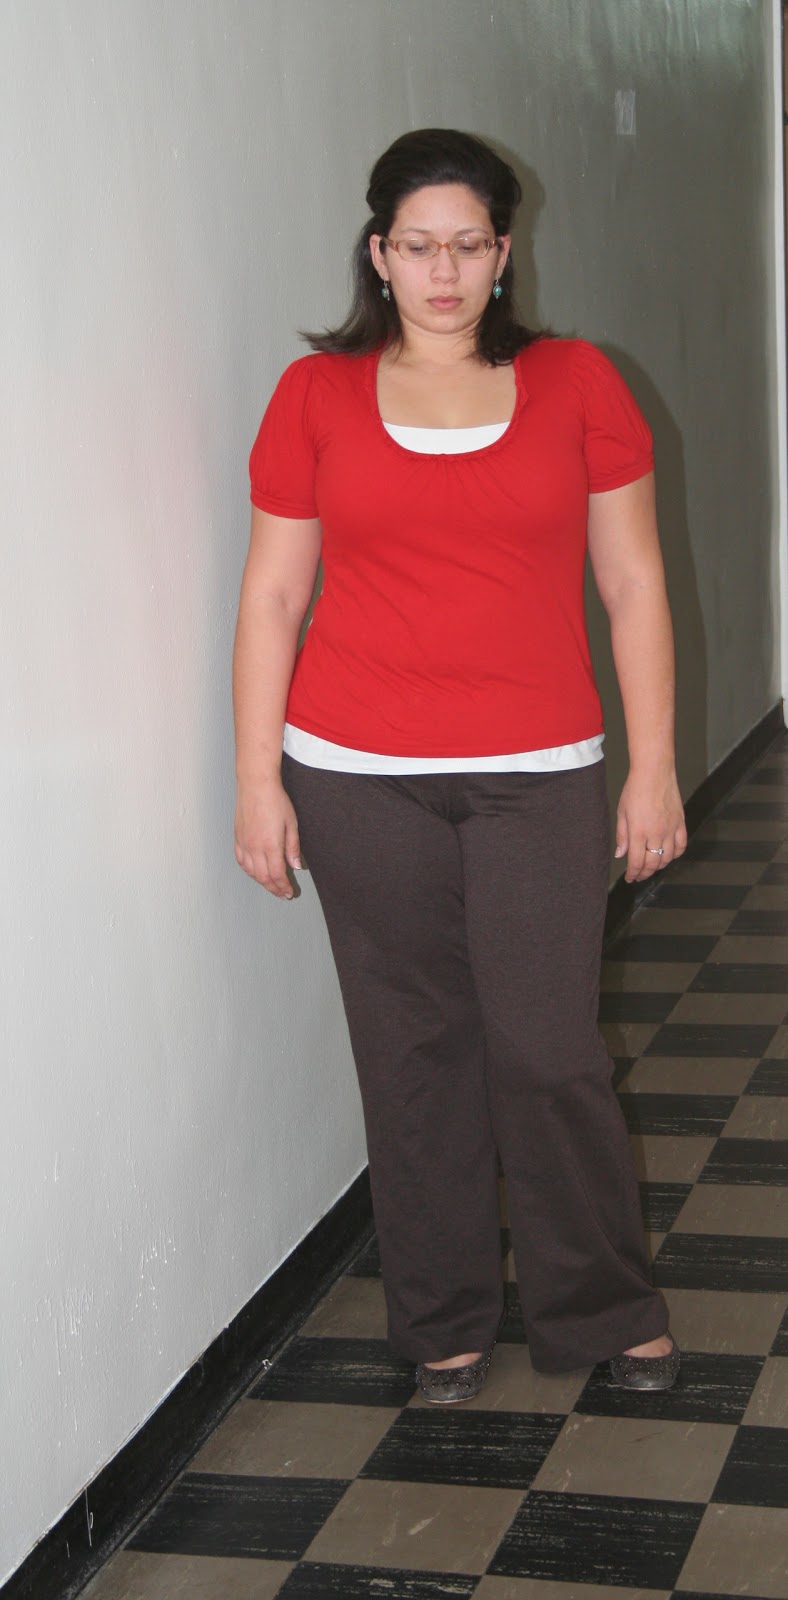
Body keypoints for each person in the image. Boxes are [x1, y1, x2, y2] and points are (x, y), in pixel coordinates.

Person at [233, 128, 687, 1403]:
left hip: (538, 770)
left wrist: (651, 765)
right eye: (418, 247)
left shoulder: (577, 382)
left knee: (548, 1049)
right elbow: (273, 597)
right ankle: (439, 1318)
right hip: (352, 772)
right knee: (412, 1050)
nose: (443, 273)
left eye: (468, 246)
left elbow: (632, 583)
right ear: (378, 253)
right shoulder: (313, 396)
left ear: (503, 251)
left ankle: (600, 1306)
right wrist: (258, 779)